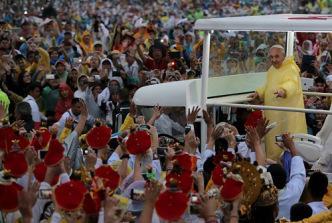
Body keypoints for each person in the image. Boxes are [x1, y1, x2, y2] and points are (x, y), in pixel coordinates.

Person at [249, 45, 307, 160]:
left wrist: (283, 90)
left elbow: (292, 84)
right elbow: (268, 86)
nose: (273, 60)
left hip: (288, 116)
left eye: (276, 57)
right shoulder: (272, 70)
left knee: (287, 144)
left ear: (283, 56)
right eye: (271, 57)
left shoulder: (290, 68)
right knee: (273, 143)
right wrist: (259, 93)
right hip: (273, 115)